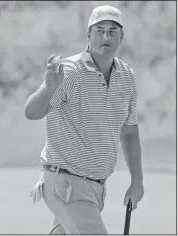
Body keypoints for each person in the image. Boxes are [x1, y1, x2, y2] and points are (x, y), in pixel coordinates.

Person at [26, 5, 144, 235]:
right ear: (88, 34)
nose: (106, 37)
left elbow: (129, 132)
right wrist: (49, 89)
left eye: (112, 31)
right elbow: (32, 112)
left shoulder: (126, 76)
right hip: (66, 186)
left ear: (122, 37)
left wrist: (137, 181)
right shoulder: (70, 72)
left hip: (95, 189)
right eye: (99, 30)